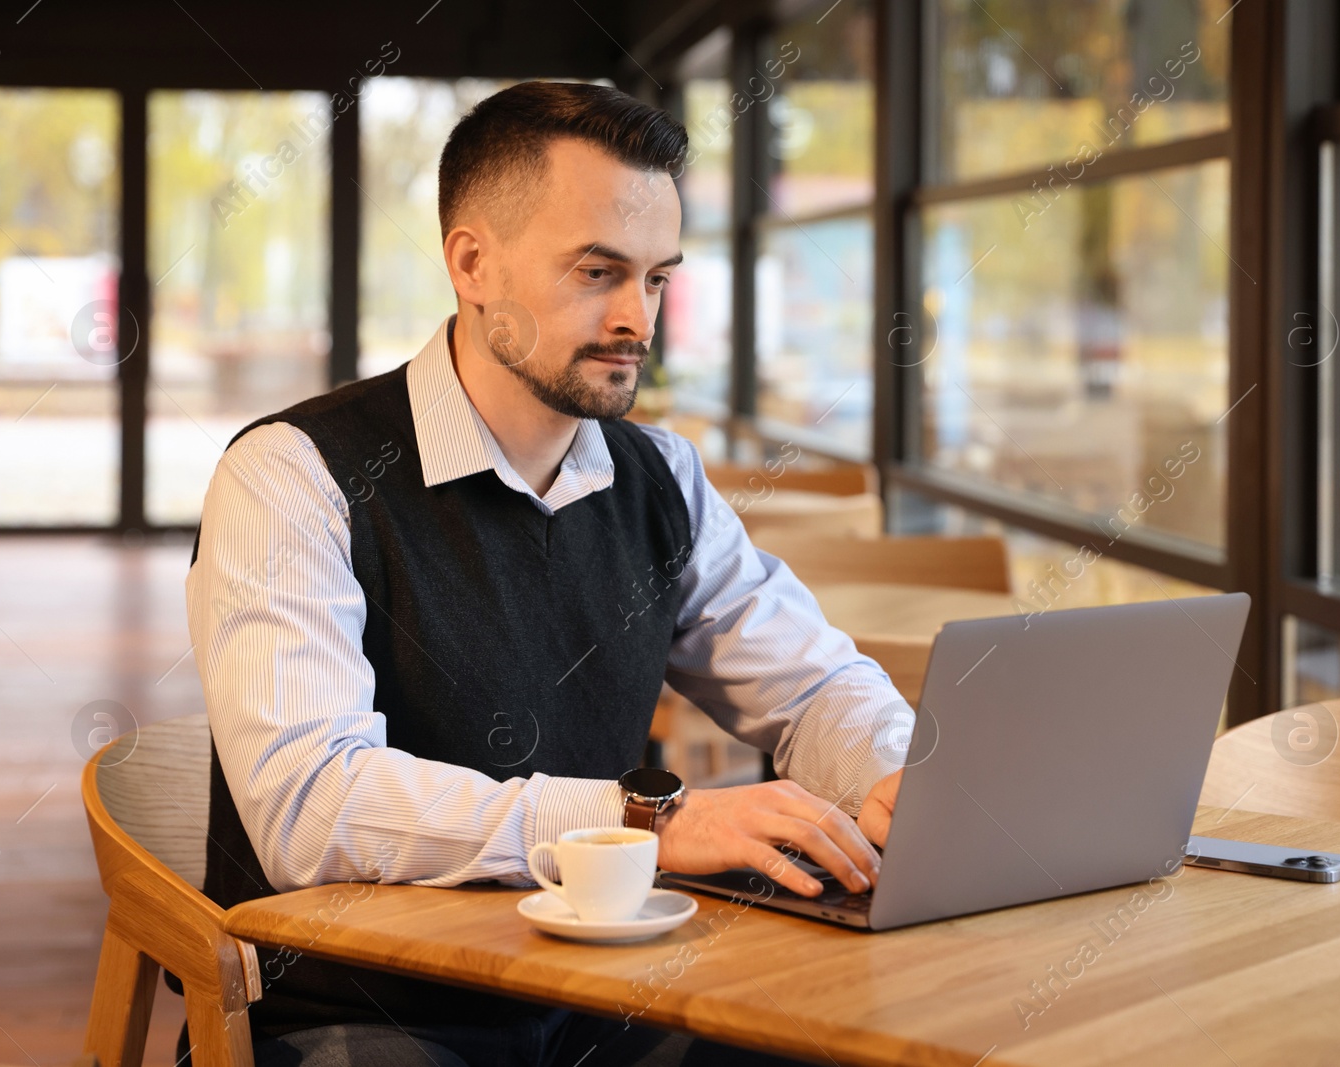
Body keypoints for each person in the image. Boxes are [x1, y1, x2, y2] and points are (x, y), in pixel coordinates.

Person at [180, 79, 915, 1067]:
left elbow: (814, 685)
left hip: (607, 990)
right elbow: (313, 807)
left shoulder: (663, 480)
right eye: (597, 272)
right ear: (472, 262)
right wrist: (638, 822)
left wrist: (895, 772)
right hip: (361, 1012)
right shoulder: (293, 474)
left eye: (657, 278)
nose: (637, 320)